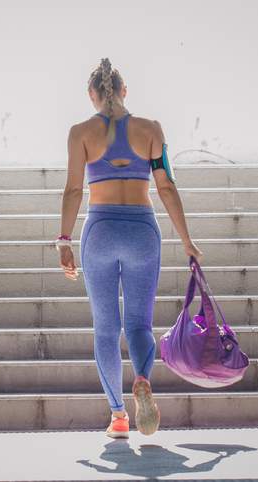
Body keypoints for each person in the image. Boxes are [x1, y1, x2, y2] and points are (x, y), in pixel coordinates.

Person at [55, 58, 204, 438]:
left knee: (106, 328)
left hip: (100, 228)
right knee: (139, 323)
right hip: (142, 229)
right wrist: (187, 241)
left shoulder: (80, 133)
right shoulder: (150, 130)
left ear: (92, 95)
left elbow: (74, 189)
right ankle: (142, 378)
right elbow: (167, 186)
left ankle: (119, 415)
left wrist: (64, 240)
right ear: (124, 91)